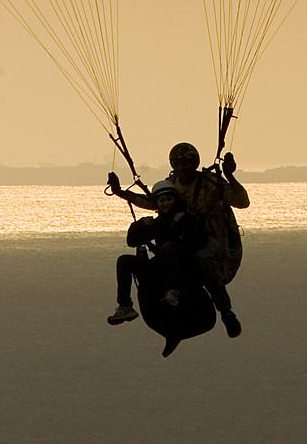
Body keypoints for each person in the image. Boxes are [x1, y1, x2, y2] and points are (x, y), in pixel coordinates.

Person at [107, 179, 218, 356]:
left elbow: (198, 240)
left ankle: (174, 292)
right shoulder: (156, 223)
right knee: (125, 261)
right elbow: (132, 241)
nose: (165, 204)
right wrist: (140, 225)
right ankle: (125, 306)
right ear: (157, 203)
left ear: (175, 200)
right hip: (160, 268)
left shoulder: (187, 218)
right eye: (161, 201)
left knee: (168, 248)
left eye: (168, 199)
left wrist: (181, 227)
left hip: (184, 268)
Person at [164, 141, 249, 315]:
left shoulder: (211, 183)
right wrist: (120, 192)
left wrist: (229, 176)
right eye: (178, 165)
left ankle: (225, 310)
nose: (183, 169)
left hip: (217, 245)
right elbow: (154, 202)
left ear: (194, 164)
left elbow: (242, 202)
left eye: (187, 164)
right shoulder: (171, 185)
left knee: (202, 259)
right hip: (187, 242)